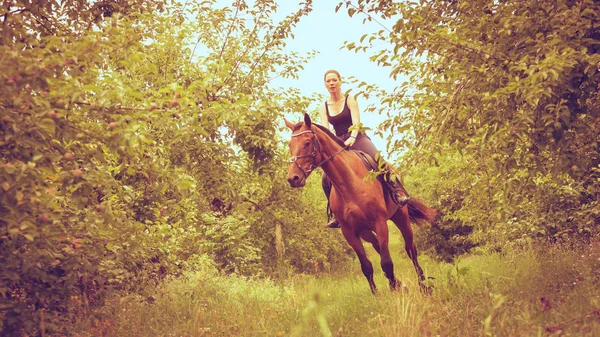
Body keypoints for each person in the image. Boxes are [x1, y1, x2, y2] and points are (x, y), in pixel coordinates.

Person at [318, 69, 410, 228]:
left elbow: (357, 123)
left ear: (340, 81)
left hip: (357, 137)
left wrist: (353, 137)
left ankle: (397, 192)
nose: (332, 83)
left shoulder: (350, 99)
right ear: (325, 84)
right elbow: (326, 132)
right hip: (339, 142)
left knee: (378, 161)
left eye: (334, 80)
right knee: (326, 178)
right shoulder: (323, 107)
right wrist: (334, 146)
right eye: (328, 81)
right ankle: (334, 214)